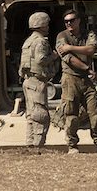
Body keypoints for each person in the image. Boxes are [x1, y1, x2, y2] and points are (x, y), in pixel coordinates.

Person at [55, 10, 97, 154]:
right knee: (71, 115)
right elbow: (68, 58)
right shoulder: (62, 36)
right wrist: (87, 69)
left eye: (71, 20)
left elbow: (91, 49)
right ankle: (72, 145)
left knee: (95, 114)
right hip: (70, 78)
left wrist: (70, 47)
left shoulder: (87, 34)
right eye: (66, 21)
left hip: (86, 80)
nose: (69, 23)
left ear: (78, 20)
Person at [19, 11, 60, 147]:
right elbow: (40, 59)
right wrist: (54, 57)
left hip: (28, 81)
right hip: (37, 82)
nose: (48, 27)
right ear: (42, 25)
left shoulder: (28, 41)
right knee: (41, 116)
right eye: (46, 24)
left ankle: (30, 144)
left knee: (31, 114)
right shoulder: (40, 41)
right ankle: (37, 146)